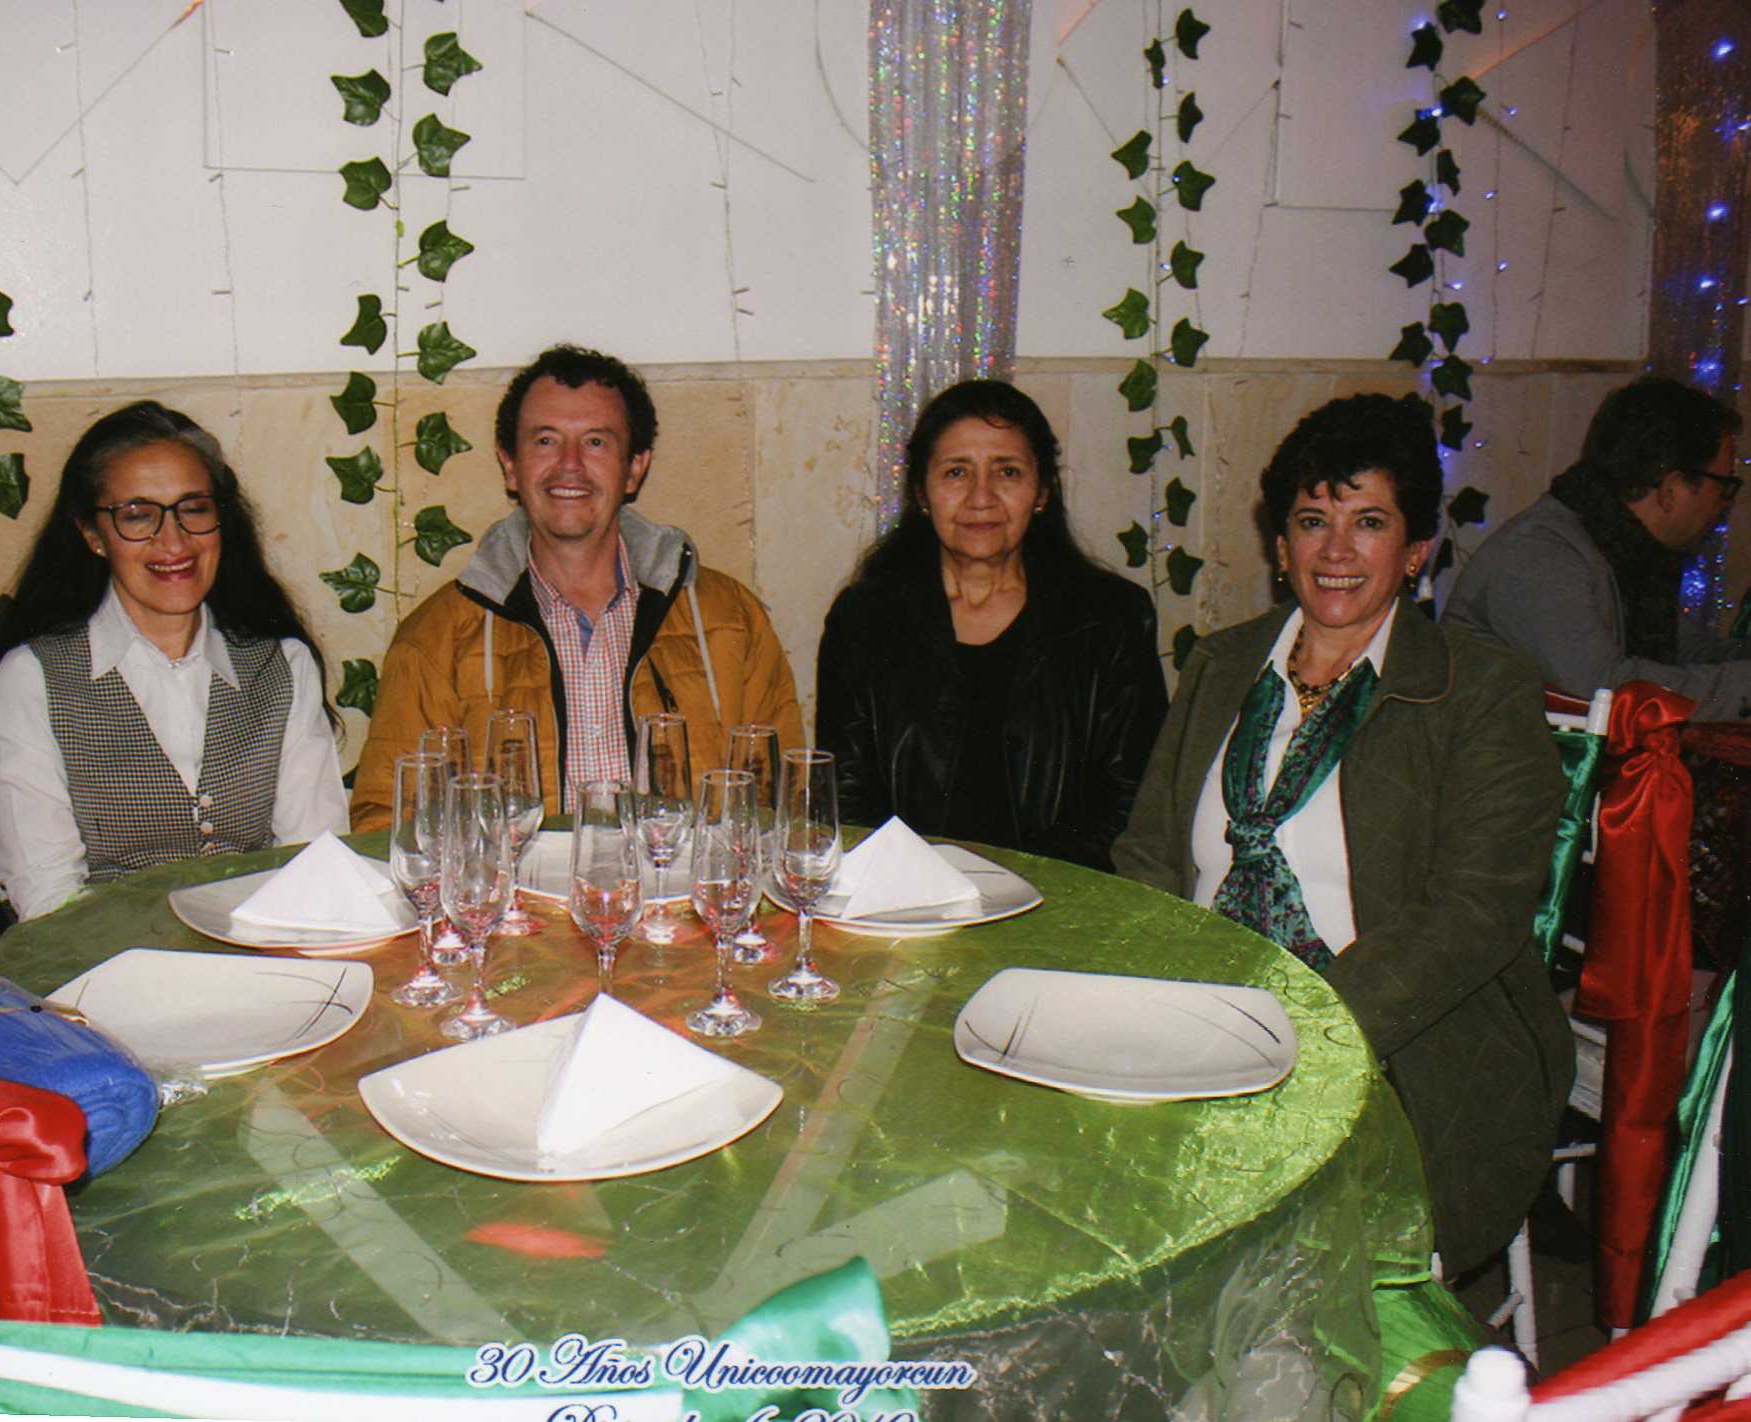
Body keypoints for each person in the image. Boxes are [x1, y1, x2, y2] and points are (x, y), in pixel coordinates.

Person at [1113, 394, 1570, 1276]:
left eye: (1369, 522)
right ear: (1280, 547)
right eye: (1313, 521)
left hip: (1404, 1048)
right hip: (1200, 1027)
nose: (1336, 551)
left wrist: (1302, 1030)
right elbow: (1149, 852)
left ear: (1417, 550)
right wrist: (1165, 1007)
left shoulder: (1480, 690)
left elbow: (1477, 911)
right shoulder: (1222, 664)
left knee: (1237, 1248)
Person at [350, 345, 804, 827]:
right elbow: (388, 824)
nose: (569, 464)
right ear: (510, 465)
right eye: (546, 440)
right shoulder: (435, 640)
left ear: (634, 468)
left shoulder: (730, 621)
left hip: (681, 880)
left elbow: (784, 807)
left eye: (596, 442)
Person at [0, 401, 349, 919]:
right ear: (92, 534)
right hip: (100, 960)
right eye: (137, 515)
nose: (173, 541)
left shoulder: (283, 666)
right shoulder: (34, 679)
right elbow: (47, 901)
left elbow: (313, 864)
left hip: (268, 953)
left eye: (193, 509)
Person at [815, 380, 1167, 869]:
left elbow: (1131, 802)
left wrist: (1028, 890)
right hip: (907, 896)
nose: (981, 497)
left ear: (1042, 491)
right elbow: (847, 799)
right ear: (921, 492)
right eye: (956, 472)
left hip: (1066, 896)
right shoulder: (865, 619)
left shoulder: (1110, 619)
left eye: (1008, 471)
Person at [1443, 376, 1749, 720]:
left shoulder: (1626, 546)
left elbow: (1686, 650)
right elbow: (1608, 692)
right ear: (1671, 489)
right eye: (1724, 485)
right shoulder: (1539, 554)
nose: (1725, 504)